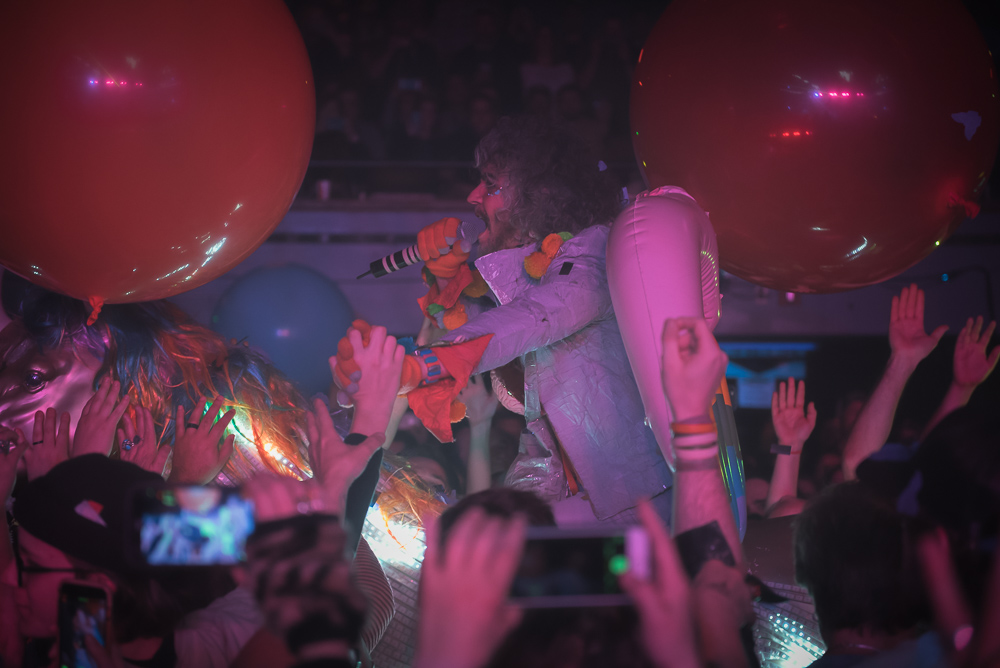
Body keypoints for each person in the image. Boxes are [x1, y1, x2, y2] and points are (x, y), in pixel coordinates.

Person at [409, 115, 673, 525]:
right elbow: (494, 330)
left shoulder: (593, 254)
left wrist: (427, 363)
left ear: (541, 193)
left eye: (491, 184)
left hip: (636, 498)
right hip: (570, 489)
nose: (473, 196)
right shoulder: (531, 270)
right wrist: (446, 281)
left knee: (492, 539)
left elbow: (532, 319)